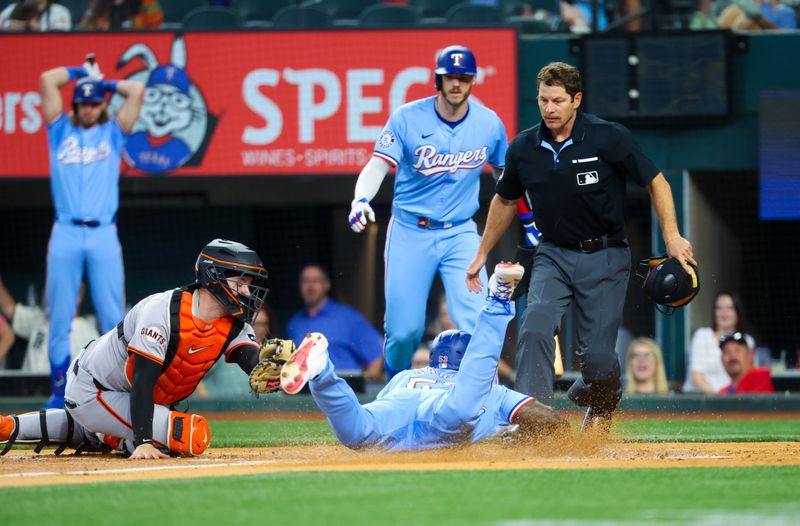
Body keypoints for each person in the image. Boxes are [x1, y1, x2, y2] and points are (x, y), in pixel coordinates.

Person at [466, 62, 695, 430]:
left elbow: (657, 182)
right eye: (543, 100)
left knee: (599, 361)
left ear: (576, 100)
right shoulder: (524, 147)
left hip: (605, 256)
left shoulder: (609, 137)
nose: (549, 108)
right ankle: (533, 424)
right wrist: (481, 252)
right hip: (552, 254)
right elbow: (505, 200)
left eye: (558, 100)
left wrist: (671, 236)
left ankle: (598, 400)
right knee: (535, 330)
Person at [0, 239, 270, 459]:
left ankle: (10, 427)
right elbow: (142, 379)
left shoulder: (233, 324)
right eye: (240, 282)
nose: (247, 292)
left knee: (118, 428)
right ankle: (117, 437)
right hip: (93, 388)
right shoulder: (162, 310)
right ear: (214, 277)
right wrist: (142, 441)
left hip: (126, 395)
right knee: (189, 435)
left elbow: (254, 363)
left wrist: (279, 370)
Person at [276, 263, 567, 451]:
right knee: (464, 408)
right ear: (464, 363)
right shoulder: (492, 390)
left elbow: (381, 408)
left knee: (358, 431)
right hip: (444, 412)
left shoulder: (407, 376)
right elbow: (551, 421)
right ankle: (498, 302)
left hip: (395, 411)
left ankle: (323, 372)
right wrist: (523, 434)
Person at [347, 45, 508, 379]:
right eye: (450, 76)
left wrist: (528, 213)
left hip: (461, 232)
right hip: (410, 231)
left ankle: (485, 400)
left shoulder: (489, 123)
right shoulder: (406, 117)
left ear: (473, 81)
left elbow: (505, 178)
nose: (456, 84)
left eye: (463, 78)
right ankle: (396, 390)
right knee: (404, 331)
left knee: (477, 321)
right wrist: (360, 199)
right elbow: (377, 166)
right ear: (438, 78)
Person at [39, 58, 144, 409]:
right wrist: (80, 74)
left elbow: (137, 90)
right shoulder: (59, 131)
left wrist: (105, 84)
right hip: (66, 229)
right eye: (82, 102)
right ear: (75, 105)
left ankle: (116, 387)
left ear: (101, 104)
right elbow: (46, 79)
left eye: (93, 102)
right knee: (60, 313)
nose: (88, 108)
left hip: (103, 232)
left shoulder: (113, 131)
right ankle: (58, 391)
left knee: (114, 314)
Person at [286, 265, 383, 379]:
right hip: (305, 393)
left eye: (316, 281)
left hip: (344, 391)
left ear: (327, 285)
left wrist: (364, 393)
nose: (310, 286)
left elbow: (376, 356)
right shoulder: (294, 323)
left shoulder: (348, 317)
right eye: (306, 281)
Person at [0, 275, 99, 373]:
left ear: (77, 295)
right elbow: (10, 309)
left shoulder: (86, 334)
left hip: (52, 388)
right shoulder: (39, 319)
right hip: (24, 387)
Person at [683, 292, 749, 393]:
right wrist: (717, 400)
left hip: (732, 401)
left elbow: (747, 377)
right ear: (714, 312)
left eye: (729, 308)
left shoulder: (747, 340)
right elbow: (696, 376)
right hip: (702, 400)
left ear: (737, 312)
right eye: (719, 308)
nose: (724, 312)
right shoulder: (702, 335)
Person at [79, 0, 163, 30]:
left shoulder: (147, 2)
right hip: (104, 50)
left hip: (135, 49)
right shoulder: (96, 4)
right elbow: (84, 28)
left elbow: (156, 24)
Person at [0, 0, 71, 31]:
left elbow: (62, 33)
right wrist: (7, 25)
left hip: (46, 50)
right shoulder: (13, 8)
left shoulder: (59, 11)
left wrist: (41, 30)